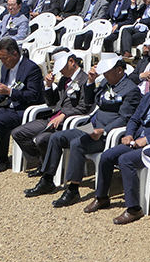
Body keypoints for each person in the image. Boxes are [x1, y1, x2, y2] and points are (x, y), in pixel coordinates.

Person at [25, 56, 142, 198]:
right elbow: (89, 101)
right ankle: (47, 179)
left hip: (107, 135)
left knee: (77, 144)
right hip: (92, 127)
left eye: (108, 71)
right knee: (56, 137)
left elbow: (125, 118)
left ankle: (73, 189)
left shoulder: (131, 90)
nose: (104, 75)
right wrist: (91, 82)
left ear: (119, 70)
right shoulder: (106, 82)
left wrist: (103, 131)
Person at [83, 63, 150, 223]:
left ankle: (134, 208)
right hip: (135, 140)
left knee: (126, 160)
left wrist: (148, 139)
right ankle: (102, 197)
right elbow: (134, 118)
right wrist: (129, 134)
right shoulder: (148, 97)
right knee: (107, 156)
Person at [9, 50, 93, 173]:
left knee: (41, 139)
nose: (60, 71)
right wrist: (48, 86)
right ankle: (42, 161)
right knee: (18, 133)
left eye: (62, 67)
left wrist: (64, 115)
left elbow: (84, 106)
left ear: (71, 62)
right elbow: (52, 102)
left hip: (67, 122)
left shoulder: (85, 80)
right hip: (53, 117)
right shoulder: (64, 80)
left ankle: (47, 168)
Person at [0, 37, 45, 173]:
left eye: (4, 58)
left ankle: (2, 158)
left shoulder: (31, 69)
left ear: (15, 54)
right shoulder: (5, 68)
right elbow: (3, 91)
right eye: (0, 58)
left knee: (0, 121)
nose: (2, 62)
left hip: (25, 109)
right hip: (11, 107)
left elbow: (32, 96)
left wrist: (10, 92)